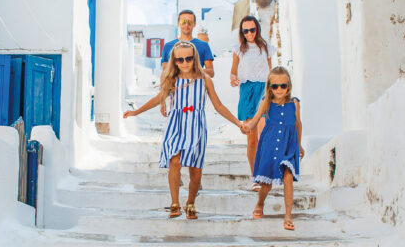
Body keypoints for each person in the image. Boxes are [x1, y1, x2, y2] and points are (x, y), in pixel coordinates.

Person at [124, 42, 244, 219]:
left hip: (196, 126)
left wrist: (238, 123)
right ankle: (175, 203)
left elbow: (218, 106)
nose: (185, 63)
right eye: (180, 60)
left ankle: (190, 203)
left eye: (188, 58)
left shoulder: (205, 80)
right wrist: (136, 112)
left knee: (195, 171)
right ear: (175, 61)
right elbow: (158, 98)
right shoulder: (172, 79)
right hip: (176, 124)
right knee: (175, 160)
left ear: (195, 58)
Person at [243, 67, 304, 231]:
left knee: (288, 176)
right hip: (270, 145)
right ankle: (260, 203)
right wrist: (246, 126)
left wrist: (299, 145)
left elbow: (298, 124)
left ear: (289, 86)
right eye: (275, 86)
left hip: (288, 145)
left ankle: (288, 215)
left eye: (283, 86)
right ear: (269, 87)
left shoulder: (295, 103)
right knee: (266, 184)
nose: (279, 90)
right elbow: (255, 120)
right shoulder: (266, 102)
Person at [230, 16, 272, 189]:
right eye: (245, 30)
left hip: (263, 89)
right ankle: (255, 177)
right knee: (251, 138)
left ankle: (263, 174)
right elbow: (233, 71)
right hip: (247, 91)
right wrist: (233, 78)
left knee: (262, 134)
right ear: (242, 32)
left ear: (257, 29)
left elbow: (271, 70)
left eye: (252, 30)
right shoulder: (238, 49)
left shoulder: (266, 48)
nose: (249, 33)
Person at [161, 10, 214, 78]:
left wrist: (190, 72)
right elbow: (165, 71)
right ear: (178, 23)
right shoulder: (167, 46)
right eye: (183, 22)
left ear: (194, 24)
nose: (186, 25)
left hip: (197, 84)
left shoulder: (204, 45)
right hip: (175, 84)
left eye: (190, 22)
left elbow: (211, 72)